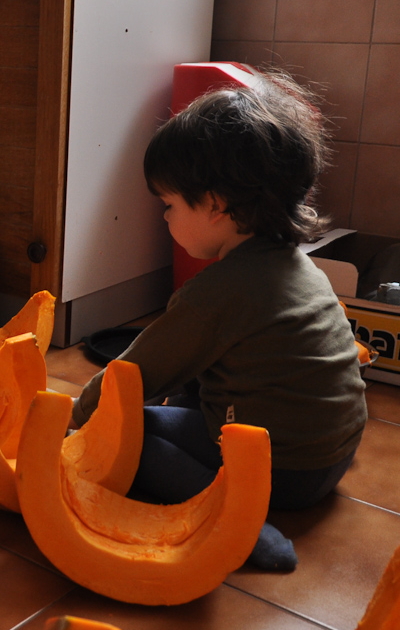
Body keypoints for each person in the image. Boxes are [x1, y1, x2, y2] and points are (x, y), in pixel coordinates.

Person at [72, 70, 367, 571]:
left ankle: (240, 524)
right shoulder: (297, 266)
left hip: (282, 473)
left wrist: (77, 423)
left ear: (215, 204)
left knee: (130, 439)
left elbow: (130, 376)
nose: (165, 217)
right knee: (182, 395)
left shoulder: (215, 294)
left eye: (169, 204)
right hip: (331, 457)